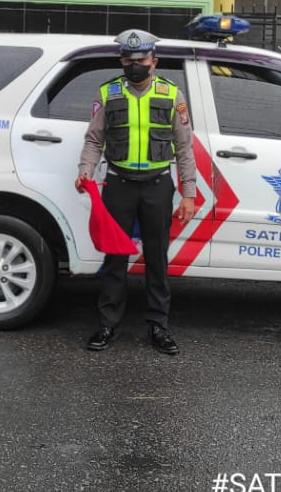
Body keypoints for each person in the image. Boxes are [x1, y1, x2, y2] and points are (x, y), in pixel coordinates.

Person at [75, 29, 197, 355]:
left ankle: (158, 326)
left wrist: (189, 192)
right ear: (122, 61)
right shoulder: (109, 94)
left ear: (154, 61)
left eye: (141, 60)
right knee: (115, 258)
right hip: (119, 185)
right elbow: (94, 140)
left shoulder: (172, 95)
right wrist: (85, 170)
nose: (135, 65)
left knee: (156, 258)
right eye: (129, 60)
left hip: (158, 186)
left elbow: (184, 148)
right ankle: (107, 324)